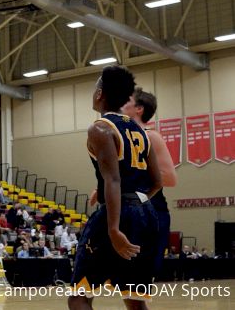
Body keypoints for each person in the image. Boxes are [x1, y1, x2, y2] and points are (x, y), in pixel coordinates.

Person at [69, 66, 161, 310]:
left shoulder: (100, 128)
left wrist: (113, 228)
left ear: (100, 94)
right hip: (147, 214)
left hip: (118, 215)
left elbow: (114, 179)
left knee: (79, 297)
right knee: (135, 300)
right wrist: (135, 202)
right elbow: (157, 182)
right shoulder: (141, 131)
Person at [120, 88, 178, 278]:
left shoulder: (150, 136)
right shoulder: (121, 137)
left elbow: (169, 178)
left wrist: (135, 189)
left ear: (139, 109)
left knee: (137, 284)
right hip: (127, 212)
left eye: (127, 100)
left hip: (151, 212)